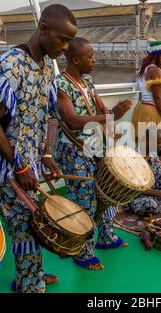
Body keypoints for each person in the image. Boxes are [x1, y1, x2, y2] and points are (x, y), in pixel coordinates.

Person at [0, 4, 77, 293]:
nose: (66, 47)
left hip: (27, 162)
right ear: (43, 30)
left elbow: (44, 114)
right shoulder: (11, 65)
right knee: (25, 222)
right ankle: (30, 285)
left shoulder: (46, 65)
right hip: (6, 165)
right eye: (62, 39)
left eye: (69, 41)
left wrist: (45, 154)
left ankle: (30, 273)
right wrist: (19, 165)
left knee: (30, 222)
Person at [52, 37, 132, 270]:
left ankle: (106, 237)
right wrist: (110, 117)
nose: (95, 60)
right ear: (76, 60)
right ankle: (82, 251)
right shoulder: (61, 86)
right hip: (74, 151)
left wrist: (111, 125)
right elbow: (72, 120)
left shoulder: (87, 80)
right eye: (90, 57)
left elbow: (101, 109)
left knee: (105, 194)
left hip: (97, 147)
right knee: (85, 200)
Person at [132, 40, 161, 160]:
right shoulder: (154, 70)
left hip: (143, 107)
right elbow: (158, 98)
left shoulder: (144, 69)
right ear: (159, 55)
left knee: (145, 146)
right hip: (153, 110)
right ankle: (158, 176)